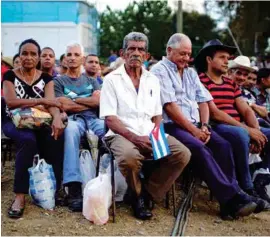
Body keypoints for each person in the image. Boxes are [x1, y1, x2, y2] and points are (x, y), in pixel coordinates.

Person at [150, 33, 259, 219]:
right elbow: (170, 107)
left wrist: (205, 126)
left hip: (195, 124)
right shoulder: (159, 70)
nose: (186, 58)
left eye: (188, 54)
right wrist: (194, 131)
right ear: (169, 50)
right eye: (182, 54)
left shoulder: (191, 72)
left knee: (223, 145)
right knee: (199, 148)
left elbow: (204, 100)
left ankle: (227, 204)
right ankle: (232, 197)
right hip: (169, 125)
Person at [100, 32, 191, 220]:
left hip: (149, 132)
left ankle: (145, 194)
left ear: (147, 56)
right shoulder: (111, 79)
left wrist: (156, 137)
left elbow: (157, 115)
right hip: (121, 134)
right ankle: (138, 197)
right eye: (131, 48)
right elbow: (110, 119)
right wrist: (135, 139)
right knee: (129, 157)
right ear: (122, 53)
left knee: (182, 154)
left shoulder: (153, 80)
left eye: (140, 49)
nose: (136, 53)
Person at [195, 39, 270, 206]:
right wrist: (249, 131)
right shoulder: (201, 81)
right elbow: (215, 113)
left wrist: (256, 131)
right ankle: (246, 188)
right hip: (216, 125)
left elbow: (245, 109)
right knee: (241, 134)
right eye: (222, 57)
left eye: (228, 58)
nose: (226, 61)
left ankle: (260, 176)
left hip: (236, 125)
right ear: (209, 59)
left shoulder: (230, 83)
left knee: (266, 134)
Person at [2, 38, 66, 218]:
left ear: (38, 58)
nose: (28, 57)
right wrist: (40, 100)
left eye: (33, 54)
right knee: (27, 140)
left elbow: (52, 103)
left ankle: (56, 187)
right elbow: (12, 103)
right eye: (24, 53)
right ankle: (19, 196)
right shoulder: (9, 76)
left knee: (56, 134)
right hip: (12, 121)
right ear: (19, 56)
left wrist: (56, 118)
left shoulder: (46, 78)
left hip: (38, 121)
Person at [54, 42, 105, 212]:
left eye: (76, 55)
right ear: (65, 59)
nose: (72, 58)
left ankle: (111, 182)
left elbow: (99, 102)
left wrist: (73, 101)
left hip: (94, 119)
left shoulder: (92, 80)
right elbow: (63, 106)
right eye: (69, 55)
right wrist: (88, 101)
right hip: (74, 120)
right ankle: (74, 187)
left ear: (82, 59)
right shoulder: (59, 81)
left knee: (110, 131)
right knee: (70, 131)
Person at [229, 57, 270, 127]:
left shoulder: (248, 93)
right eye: (238, 73)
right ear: (230, 72)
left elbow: (264, 113)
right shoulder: (225, 89)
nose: (242, 78)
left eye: (245, 75)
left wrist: (251, 105)